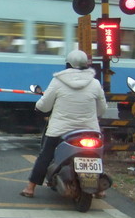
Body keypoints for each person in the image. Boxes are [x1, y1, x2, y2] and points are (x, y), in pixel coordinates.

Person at [20, 49, 107, 198]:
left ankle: (30, 188)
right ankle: (100, 189)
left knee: (45, 156)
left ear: (67, 64)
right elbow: (102, 109)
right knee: (96, 156)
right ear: (86, 65)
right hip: (89, 130)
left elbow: (44, 105)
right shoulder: (95, 83)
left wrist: (39, 108)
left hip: (60, 130)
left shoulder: (58, 81)